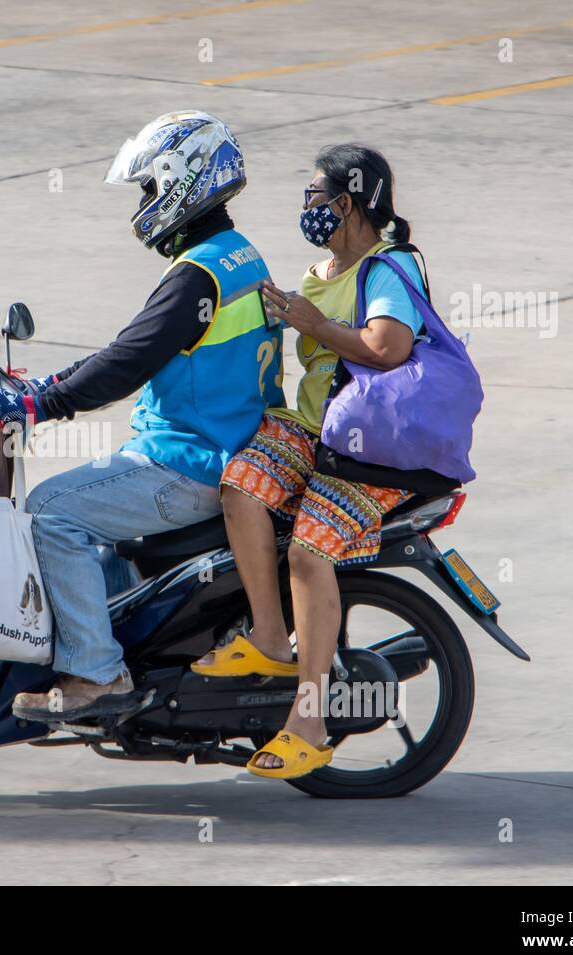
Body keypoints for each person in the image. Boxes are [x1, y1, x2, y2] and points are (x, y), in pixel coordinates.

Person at [0, 111, 285, 721]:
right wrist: (49, 383)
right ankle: (120, 647)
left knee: (53, 512)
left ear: (181, 181)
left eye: (149, 188)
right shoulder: (237, 257)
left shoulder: (197, 276)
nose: (144, 202)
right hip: (232, 445)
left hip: (191, 461)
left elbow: (128, 363)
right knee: (90, 505)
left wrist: (44, 402)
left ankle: (96, 673)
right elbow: (134, 347)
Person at [191, 143, 428, 778]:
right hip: (312, 428)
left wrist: (309, 321)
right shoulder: (320, 273)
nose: (309, 209)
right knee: (239, 487)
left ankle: (310, 718)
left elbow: (387, 348)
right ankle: (270, 637)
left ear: (347, 205)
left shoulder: (388, 270)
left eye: (317, 199)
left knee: (306, 551)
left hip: (369, 448)